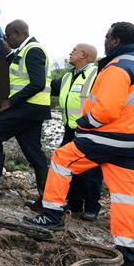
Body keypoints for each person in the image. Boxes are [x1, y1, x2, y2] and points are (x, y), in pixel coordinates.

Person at [26, 22, 134, 264]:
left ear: (116, 41)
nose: (105, 41)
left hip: (105, 137)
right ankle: (127, 249)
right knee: (124, 195)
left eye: (107, 37)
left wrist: (84, 123)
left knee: (61, 160)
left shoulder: (118, 67)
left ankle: (52, 216)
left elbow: (106, 110)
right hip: (129, 143)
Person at [0, 19, 51, 198]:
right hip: (33, 108)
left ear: (17, 33)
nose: (6, 39)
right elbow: (21, 70)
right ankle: (48, 199)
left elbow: (37, 83)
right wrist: (8, 53)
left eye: (7, 35)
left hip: (28, 107)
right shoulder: (26, 50)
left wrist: (10, 102)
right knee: (33, 152)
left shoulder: (33, 50)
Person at [47, 43, 103, 221]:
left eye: (74, 51)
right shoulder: (68, 76)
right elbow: (49, 87)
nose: (70, 53)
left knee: (92, 170)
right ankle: (74, 203)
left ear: (84, 55)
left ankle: (92, 207)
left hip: (90, 129)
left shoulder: (96, 75)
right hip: (70, 129)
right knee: (69, 166)